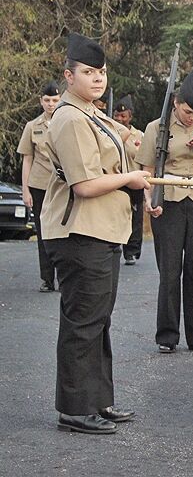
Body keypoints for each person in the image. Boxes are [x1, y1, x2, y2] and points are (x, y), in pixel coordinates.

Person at [41, 33, 151, 434]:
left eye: (102, 72)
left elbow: (130, 147)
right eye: (88, 72)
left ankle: (97, 401)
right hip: (79, 231)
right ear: (69, 76)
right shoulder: (70, 118)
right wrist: (132, 179)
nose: (98, 79)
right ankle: (74, 409)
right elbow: (85, 184)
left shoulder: (94, 115)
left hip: (101, 230)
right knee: (82, 322)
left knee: (97, 320)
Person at [136, 71, 193, 355]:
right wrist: (149, 199)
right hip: (168, 199)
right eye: (187, 111)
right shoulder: (156, 127)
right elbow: (146, 170)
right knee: (170, 270)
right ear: (175, 103)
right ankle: (167, 335)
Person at [17, 81, 61, 292]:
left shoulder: (67, 123)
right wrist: (25, 190)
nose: (51, 104)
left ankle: (63, 277)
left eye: (54, 100)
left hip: (63, 185)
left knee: (63, 231)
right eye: (47, 100)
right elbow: (27, 159)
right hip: (40, 184)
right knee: (43, 233)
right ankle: (47, 278)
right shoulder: (32, 126)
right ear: (41, 101)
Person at [112, 95, 145, 265]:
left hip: (135, 180)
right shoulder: (108, 132)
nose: (120, 119)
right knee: (116, 214)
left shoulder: (139, 135)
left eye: (123, 116)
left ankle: (131, 250)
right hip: (116, 180)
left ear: (130, 117)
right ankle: (115, 245)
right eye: (117, 115)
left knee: (135, 217)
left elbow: (145, 159)